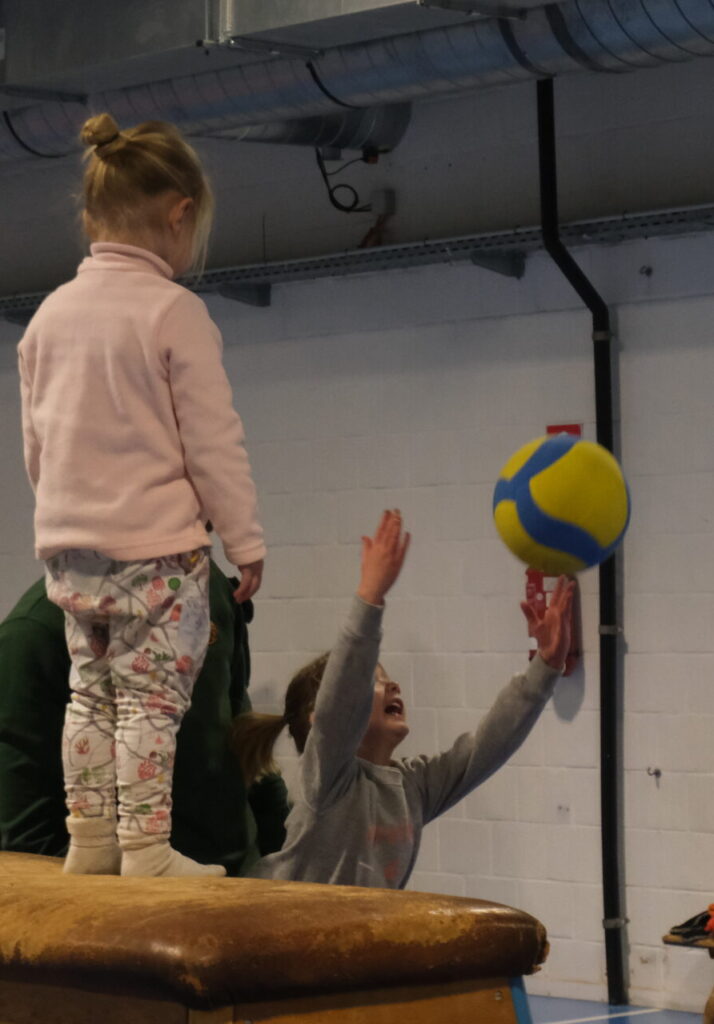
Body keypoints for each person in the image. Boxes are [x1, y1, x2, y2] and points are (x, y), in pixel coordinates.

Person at [17, 113, 266, 877]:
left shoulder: (49, 315)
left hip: (71, 553)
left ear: (93, 218)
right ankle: (147, 851)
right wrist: (244, 540)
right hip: (155, 554)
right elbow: (212, 441)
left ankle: (89, 843)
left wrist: (65, 516)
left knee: (88, 695)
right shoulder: (171, 312)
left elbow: (38, 439)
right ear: (179, 214)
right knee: (151, 702)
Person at [235, 510, 574, 890]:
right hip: (279, 930)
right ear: (320, 719)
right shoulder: (327, 779)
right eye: (376, 681)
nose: (393, 685)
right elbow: (342, 701)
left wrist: (545, 667)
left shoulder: (411, 787)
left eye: (387, 677)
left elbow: (487, 749)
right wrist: (370, 599)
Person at [0, 566, 289, 876]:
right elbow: (26, 835)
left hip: (240, 882)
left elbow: (241, 736)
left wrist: (285, 854)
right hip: (135, 901)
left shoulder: (207, 585)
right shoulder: (35, 629)